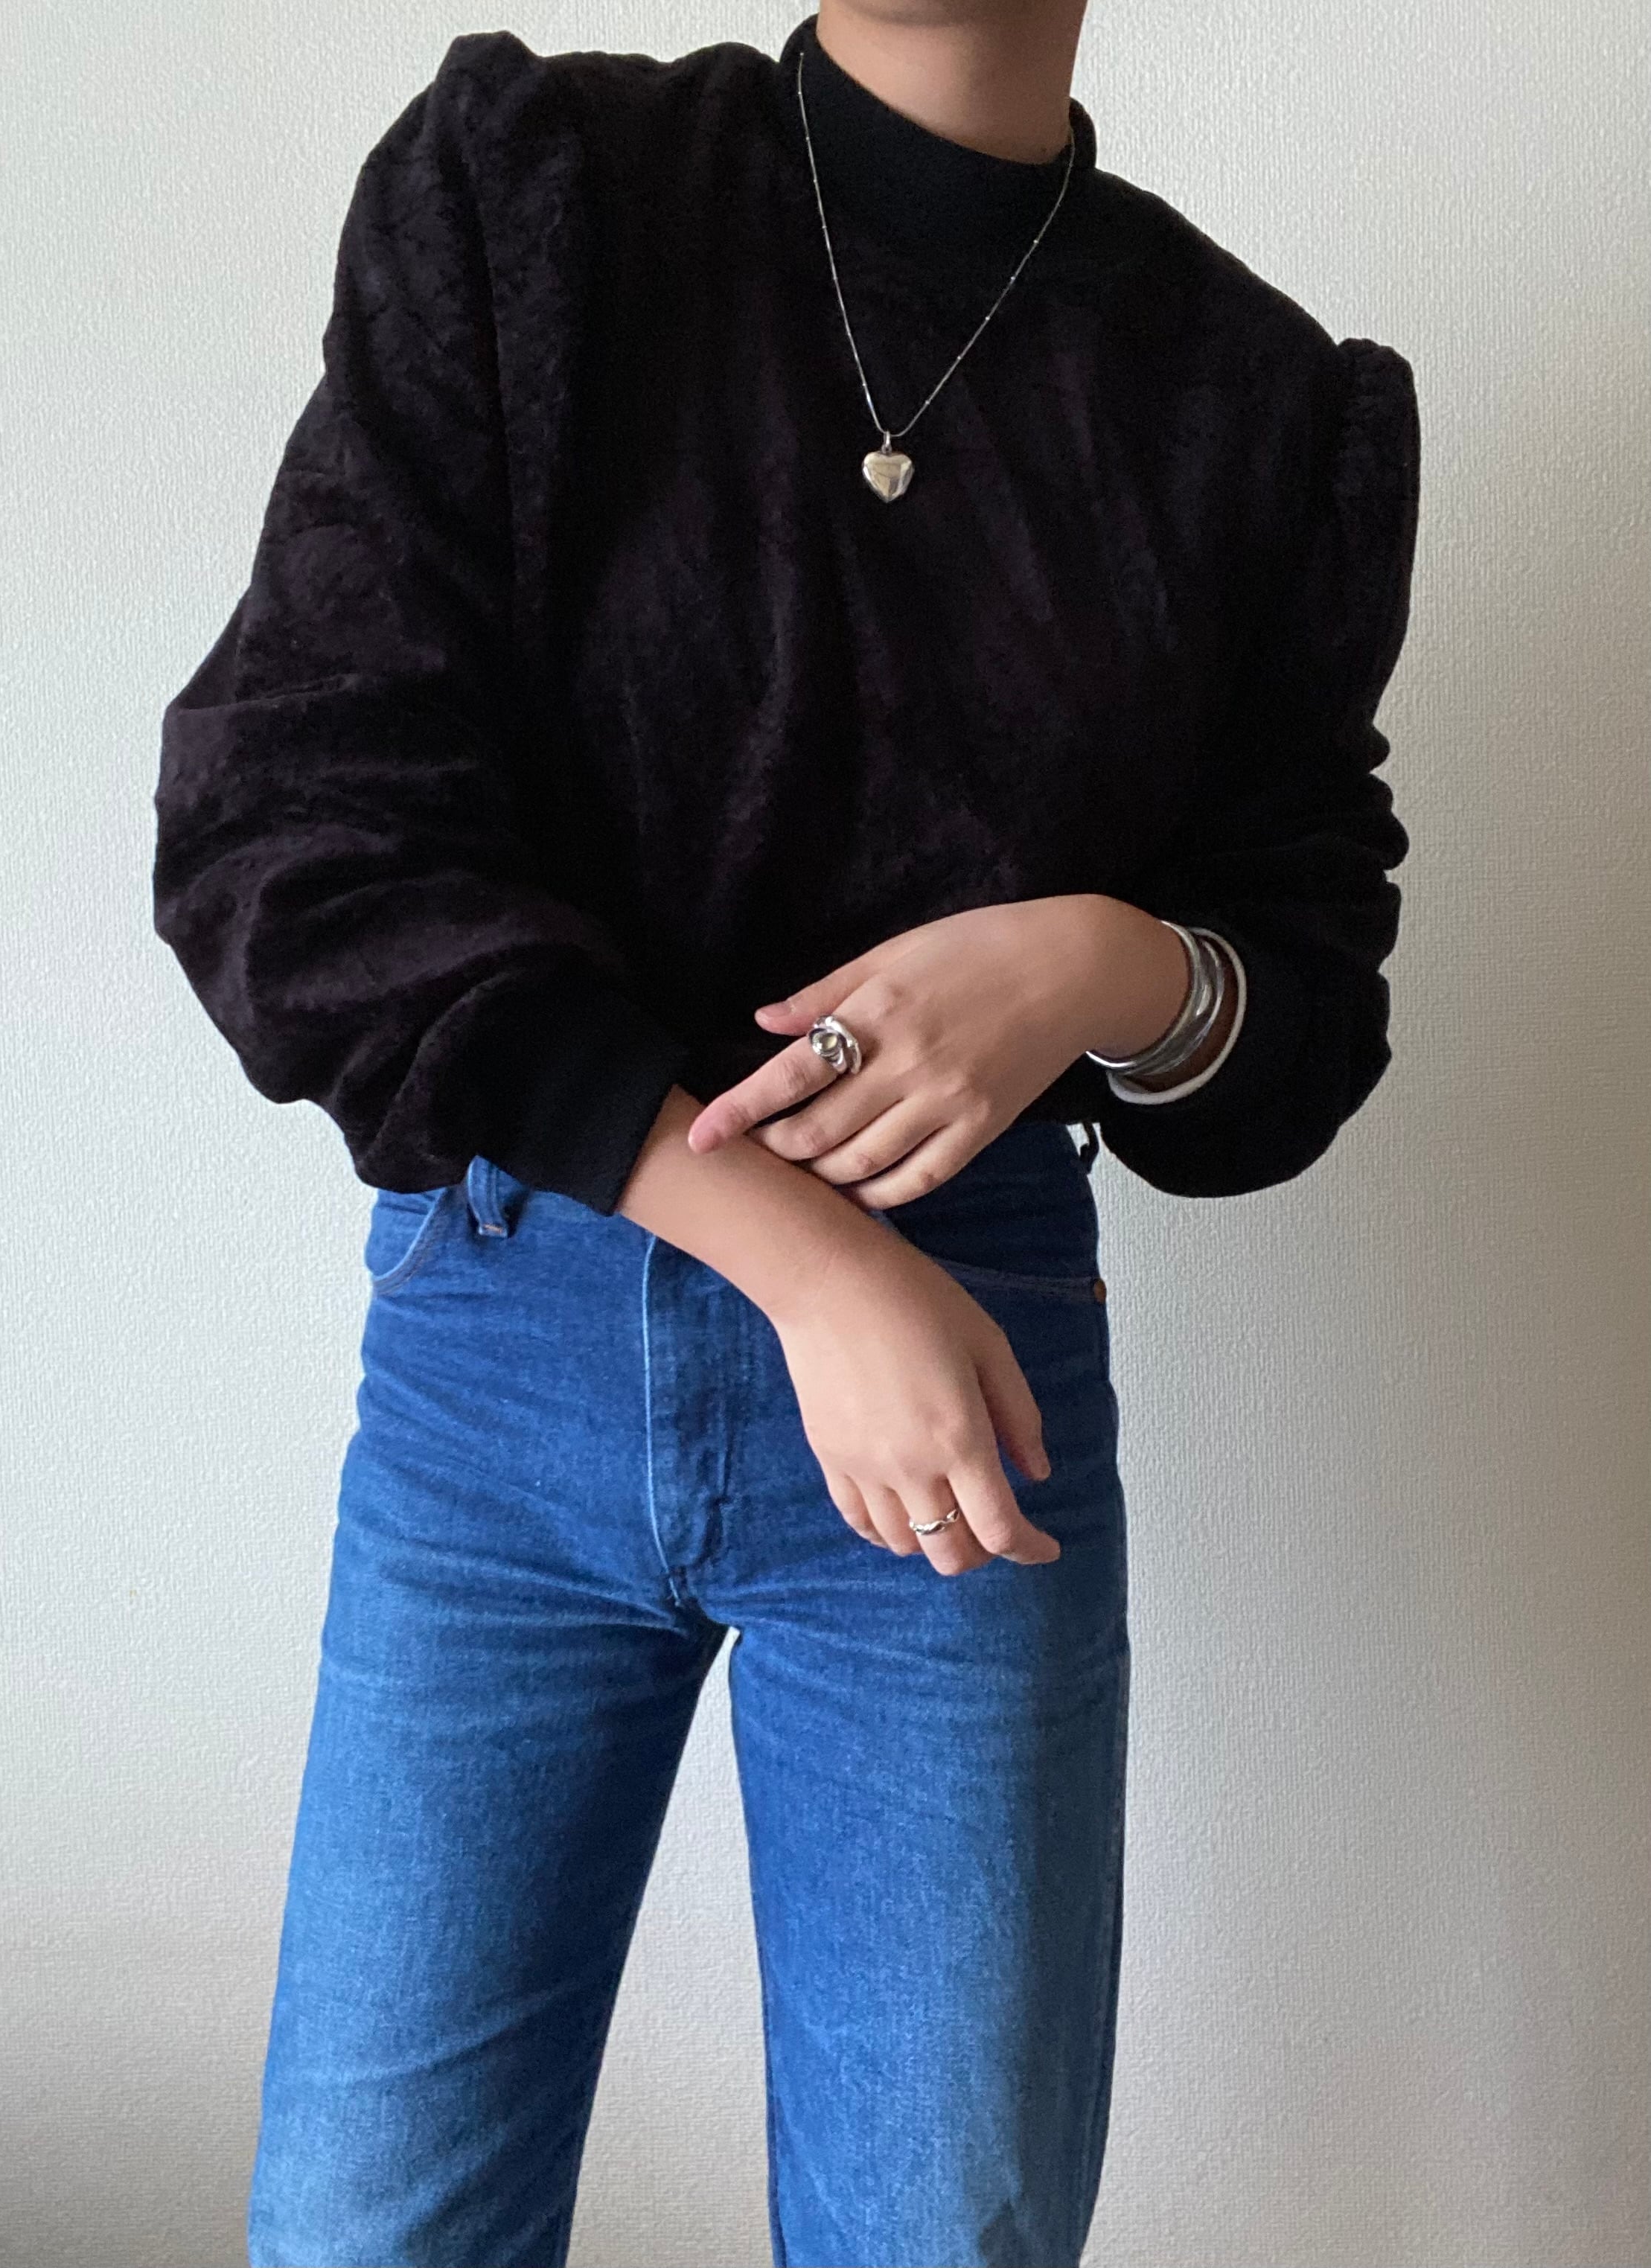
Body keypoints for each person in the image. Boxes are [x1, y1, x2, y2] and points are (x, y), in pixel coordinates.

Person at [151, 7, 1420, 2264]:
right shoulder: (548, 201)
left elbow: (1299, 1017)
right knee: (369, 2227)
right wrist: (797, 1250)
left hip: (968, 1383)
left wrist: (1103, 964)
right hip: (516, 1327)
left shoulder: (1243, 400)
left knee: (943, 2228)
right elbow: (291, 826)